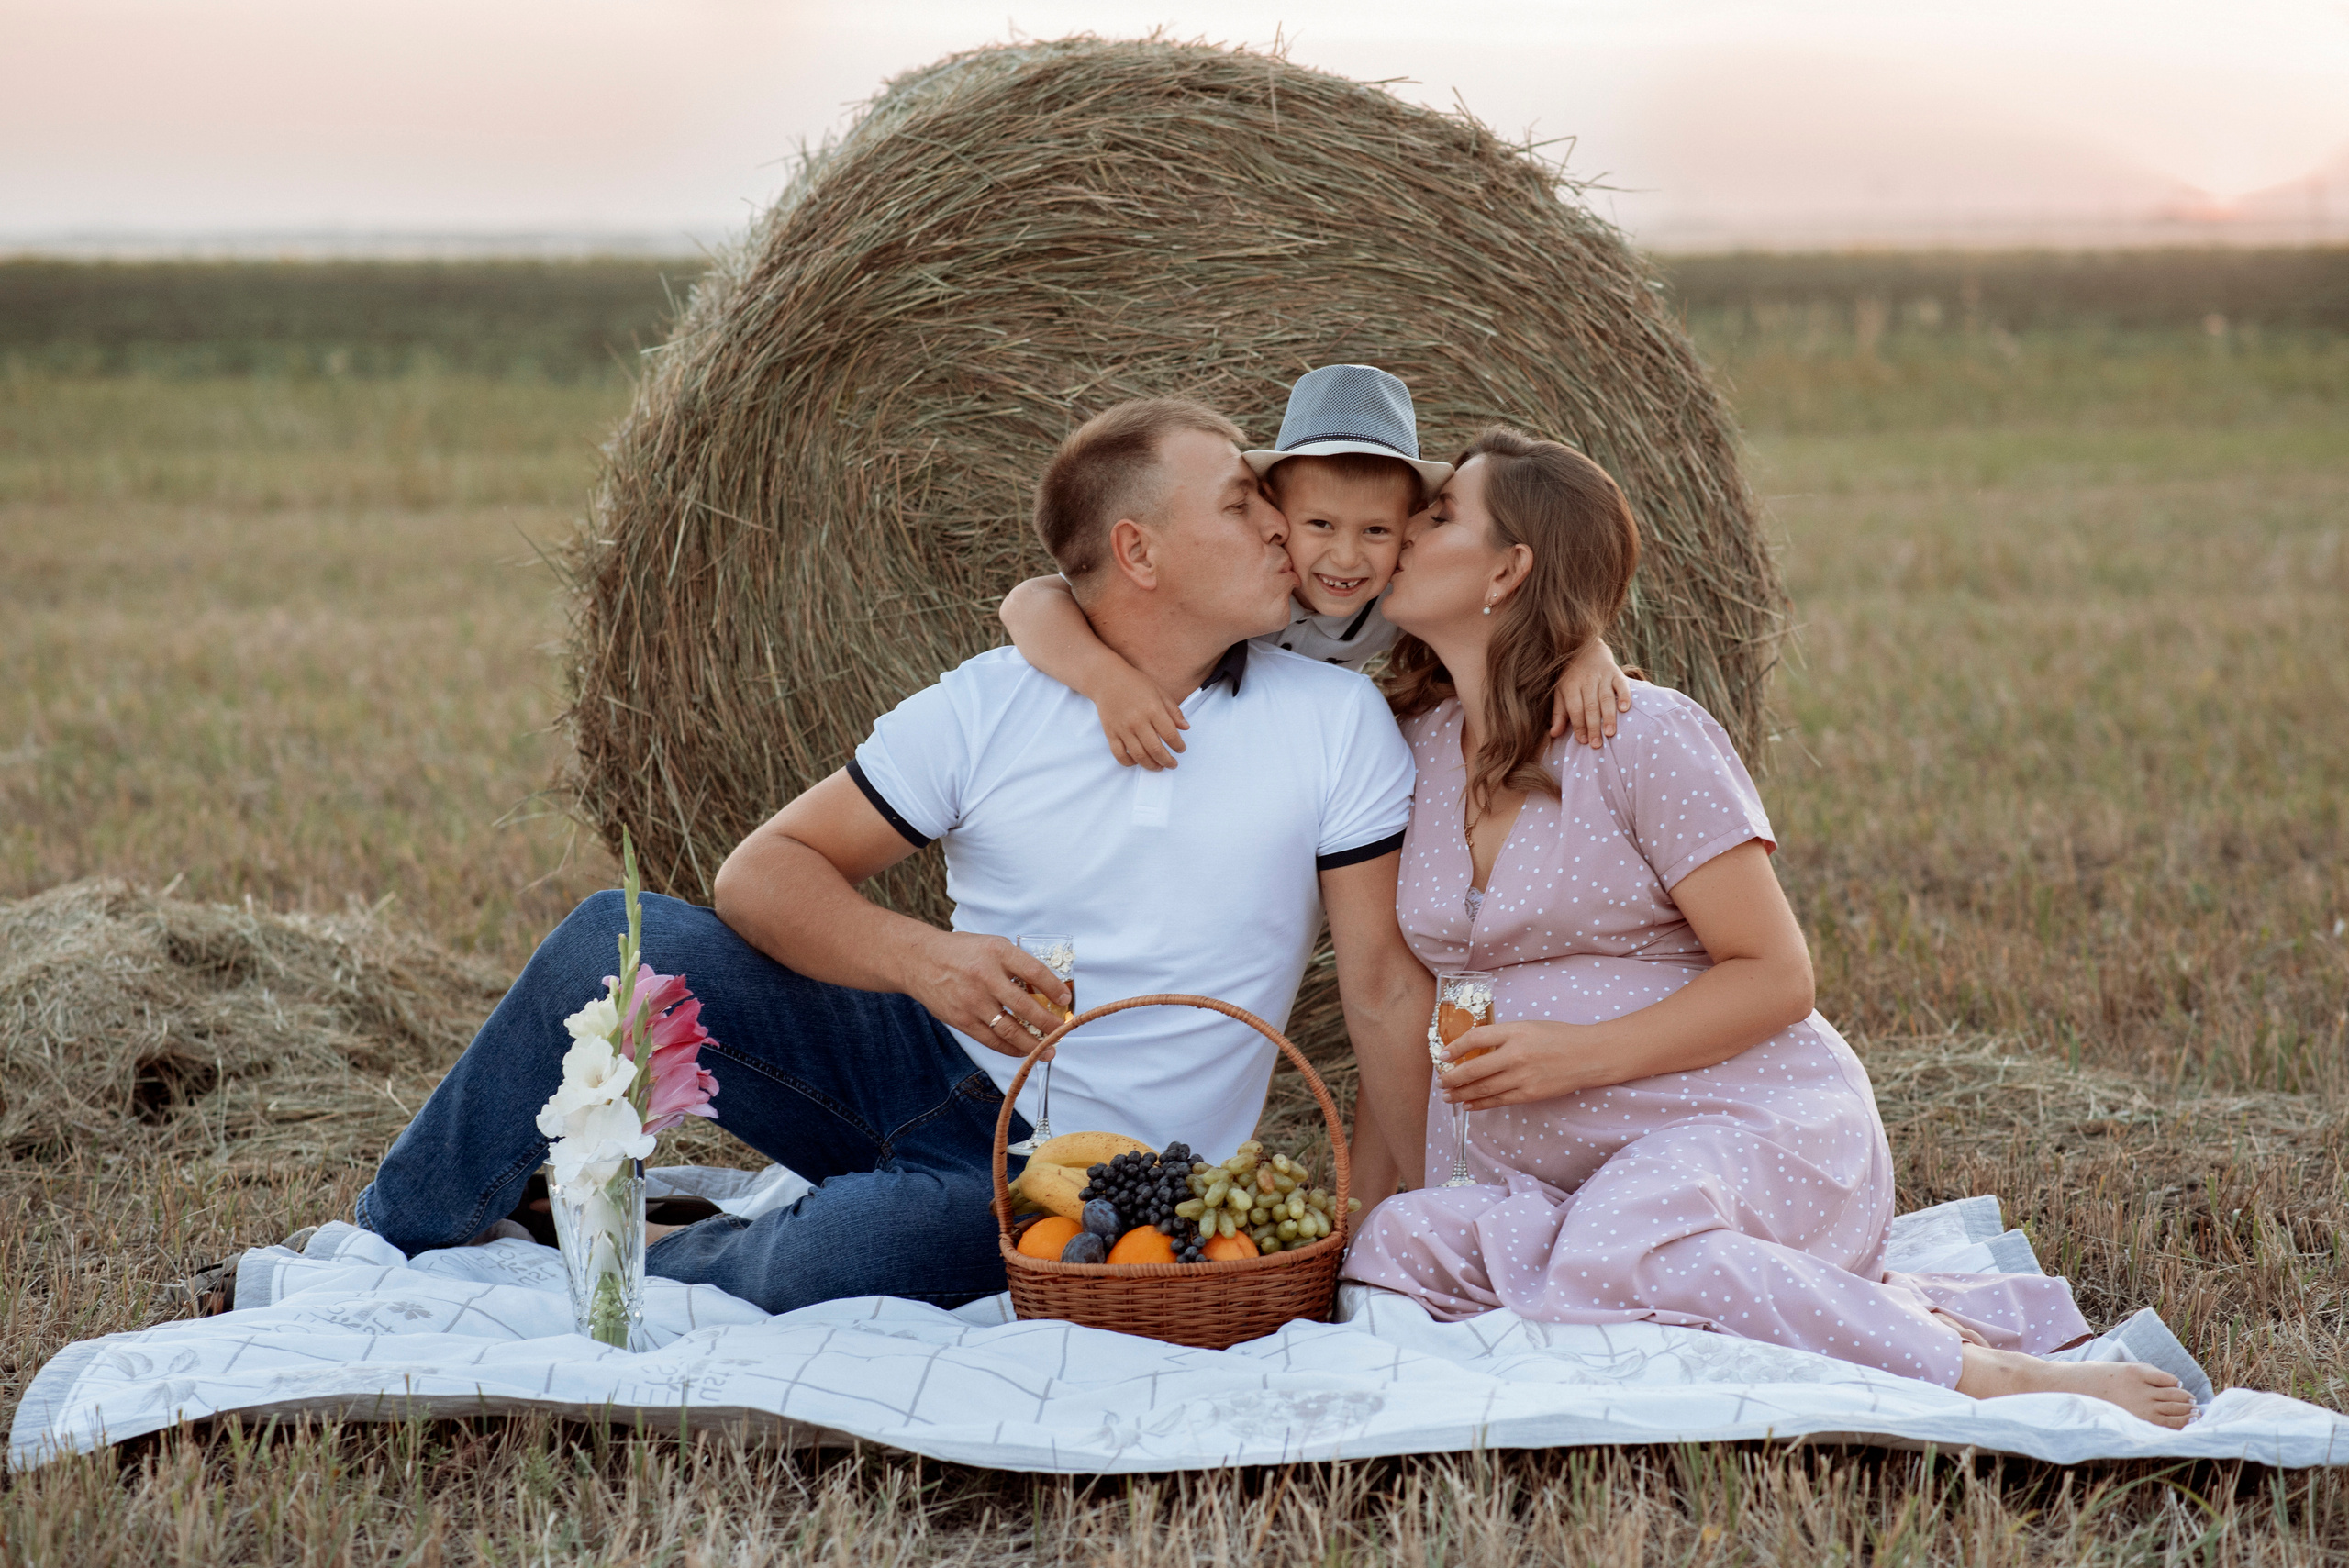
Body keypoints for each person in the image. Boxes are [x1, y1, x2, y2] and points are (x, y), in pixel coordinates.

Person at [347, 398, 1435, 1316]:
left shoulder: (1334, 723)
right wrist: (926, 960)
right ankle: (388, 1244)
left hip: (1082, 1177)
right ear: (1136, 551)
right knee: (612, 940)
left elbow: (1382, 987)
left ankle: (574, 1267)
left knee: (863, 1255)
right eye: (1243, 506)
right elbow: (761, 872)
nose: (1285, 534)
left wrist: (1393, 1227)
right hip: (915, 1051)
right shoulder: (987, 703)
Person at [1338, 426, 2196, 1428]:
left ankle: (1979, 1371)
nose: (1399, 530)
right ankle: (1716, 1295)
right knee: (1395, 1247)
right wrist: (1365, 1203)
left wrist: (1580, 1056)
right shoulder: (1411, 749)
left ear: (1509, 566)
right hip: (1549, 1174)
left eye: (1438, 515)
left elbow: (1777, 974)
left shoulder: (1643, 737)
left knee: (1626, 1235)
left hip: (1743, 1126)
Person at [999, 365, 1631, 773]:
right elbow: (1029, 602)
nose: (1348, 558)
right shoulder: (1247, 584)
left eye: (1377, 531)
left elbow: (1499, 623)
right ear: (1275, 512)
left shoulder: (1396, 602)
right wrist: (1106, 679)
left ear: (1411, 524)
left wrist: (1583, 649)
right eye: (1320, 526)